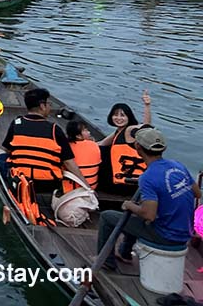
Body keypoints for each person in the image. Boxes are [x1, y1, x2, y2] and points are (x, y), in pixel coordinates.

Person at [96, 127, 200, 270]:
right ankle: (125, 252)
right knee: (138, 213)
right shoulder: (178, 165)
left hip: (166, 236)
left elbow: (149, 215)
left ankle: (106, 262)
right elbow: (197, 193)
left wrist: (129, 205)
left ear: (138, 147)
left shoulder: (148, 177)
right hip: (185, 232)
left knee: (107, 217)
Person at [0, 87, 86, 194]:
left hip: (21, 181)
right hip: (48, 185)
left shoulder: (16, 124)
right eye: (48, 104)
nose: (49, 106)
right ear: (42, 106)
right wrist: (86, 185)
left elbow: (8, 150)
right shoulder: (55, 129)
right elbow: (68, 162)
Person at [99, 91, 151, 193]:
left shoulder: (130, 130)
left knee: (103, 152)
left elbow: (146, 128)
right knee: (102, 148)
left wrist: (147, 106)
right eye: (115, 115)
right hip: (128, 182)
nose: (118, 118)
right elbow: (101, 143)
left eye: (122, 115)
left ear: (129, 117)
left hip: (127, 184)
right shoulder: (118, 132)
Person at [65, 120, 101, 190]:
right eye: (86, 130)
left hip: (71, 188)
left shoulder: (67, 147)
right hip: (92, 186)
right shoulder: (94, 145)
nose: (89, 132)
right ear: (78, 136)